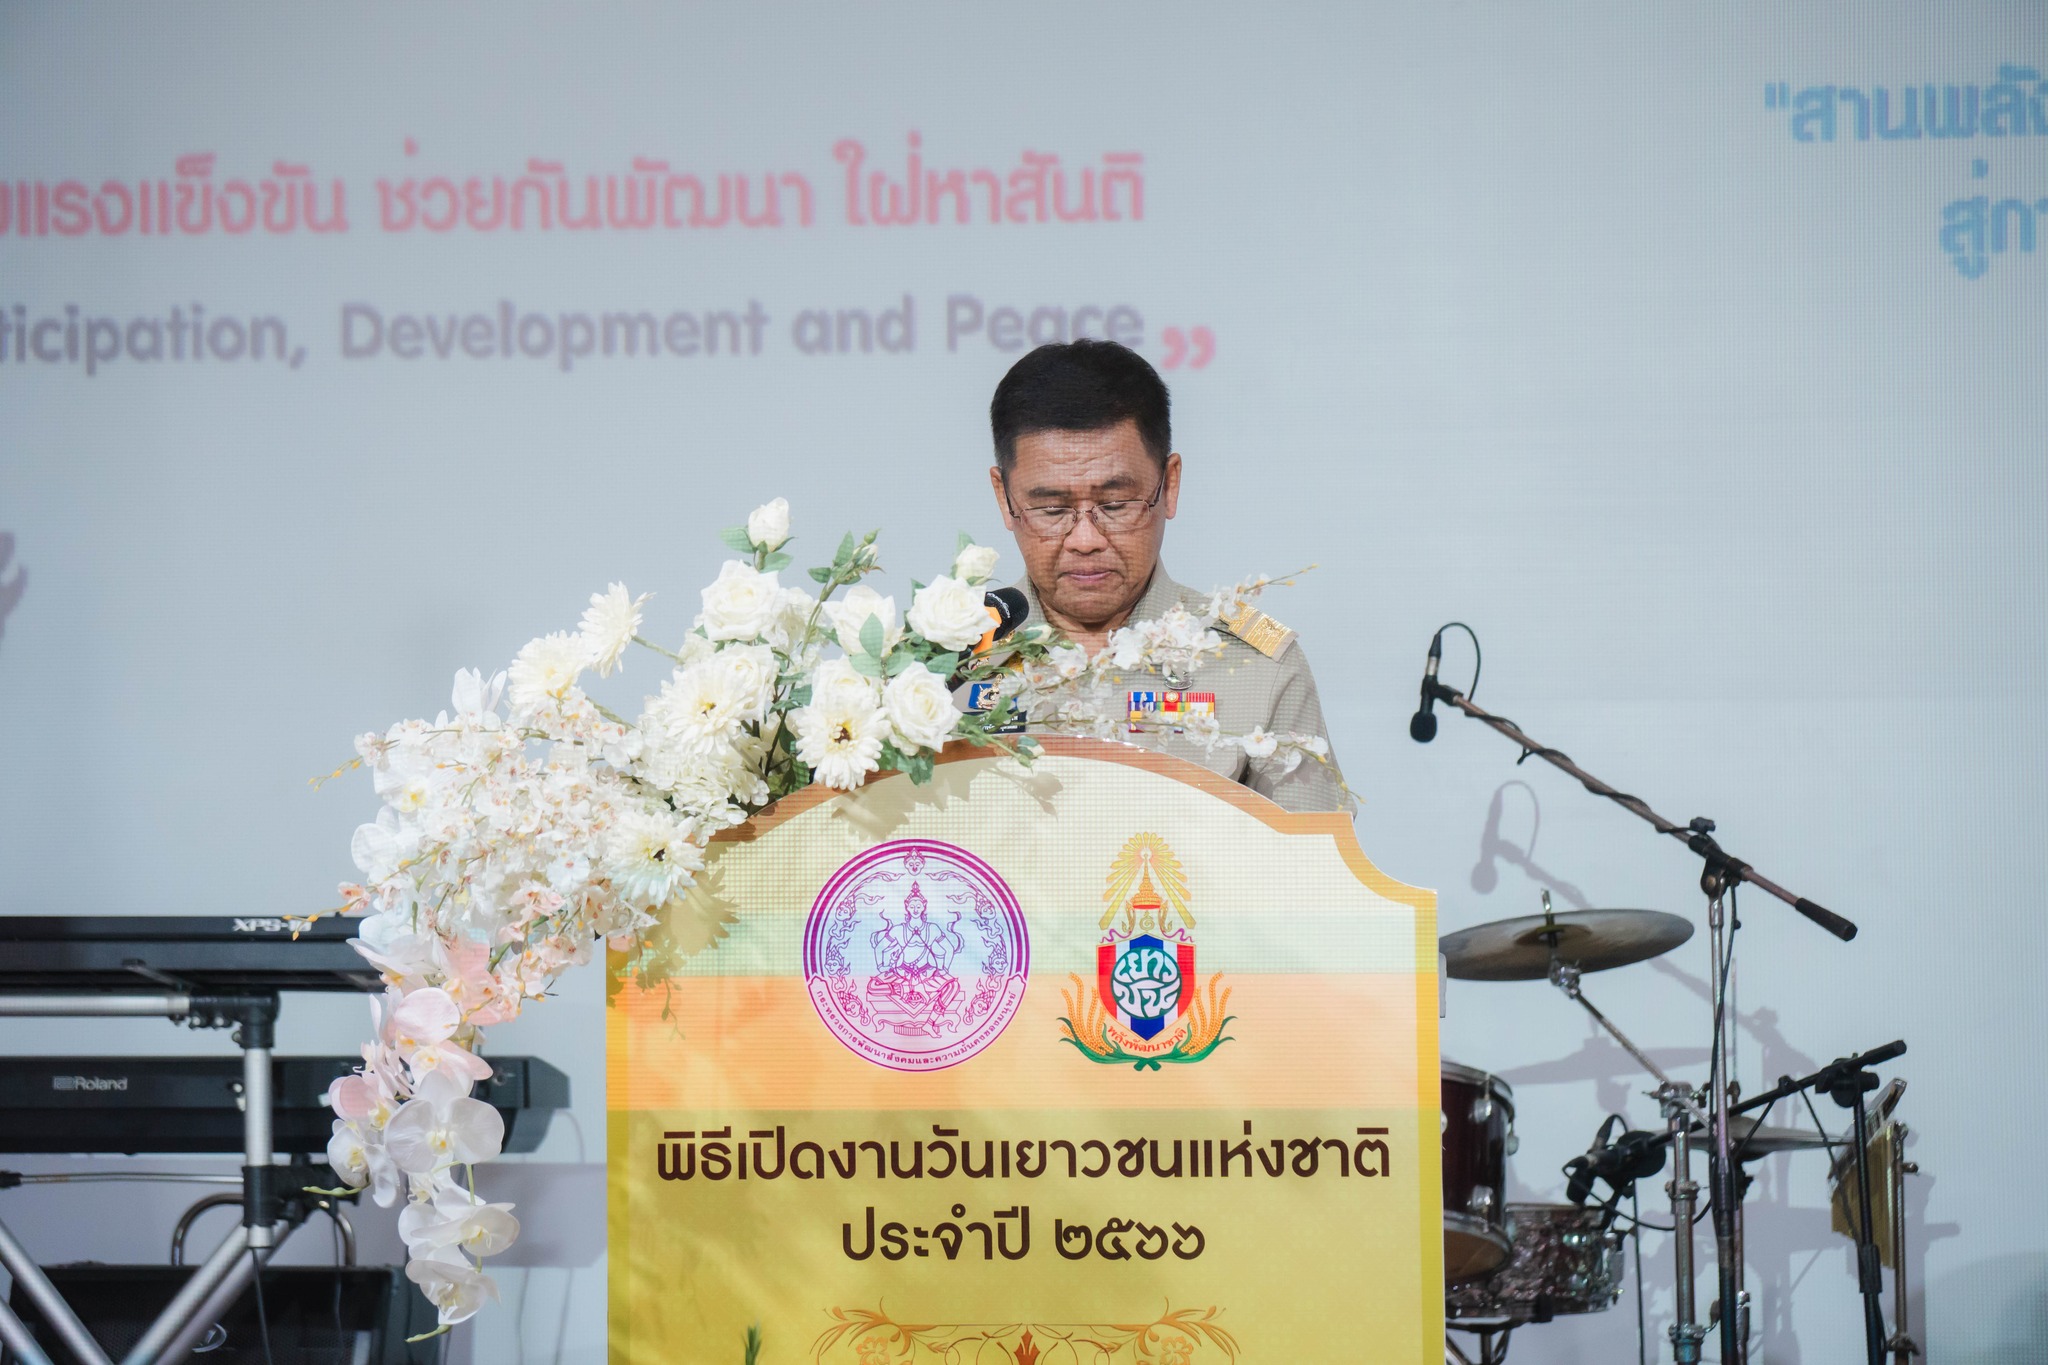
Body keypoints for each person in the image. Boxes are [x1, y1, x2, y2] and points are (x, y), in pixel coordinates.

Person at [977, 339, 1349, 814]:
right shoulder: (935, 667)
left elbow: (1315, 870)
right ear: (1004, 496)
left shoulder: (1258, 667)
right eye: (1052, 509)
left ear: (1169, 485)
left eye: (1115, 505)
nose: (1085, 538)